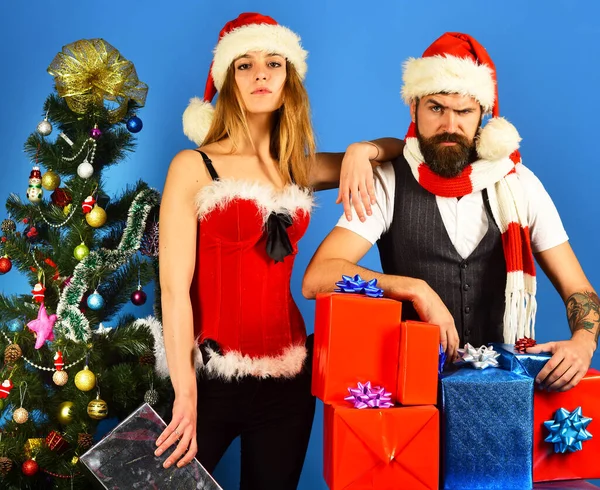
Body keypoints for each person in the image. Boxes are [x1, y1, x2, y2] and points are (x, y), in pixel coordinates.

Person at [154, 12, 403, 489]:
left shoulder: (298, 168)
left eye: (273, 62)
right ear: (228, 80)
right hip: (210, 380)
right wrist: (184, 395)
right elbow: (173, 288)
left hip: (289, 380)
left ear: (290, 79)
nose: (261, 74)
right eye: (245, 65)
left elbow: (400, 147)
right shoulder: (194, 166)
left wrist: (359, 151)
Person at [302, 32, 598, 393]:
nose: (450, 126)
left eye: (464, 111)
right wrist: (415, 289)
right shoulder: (389, 181)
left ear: (484, 116)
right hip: (410, 389)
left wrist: (584, 342)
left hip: (502, 392)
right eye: (436, 108)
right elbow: (318, 276)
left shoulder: (519, 184)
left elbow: (579, 289)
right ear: (413, 107)